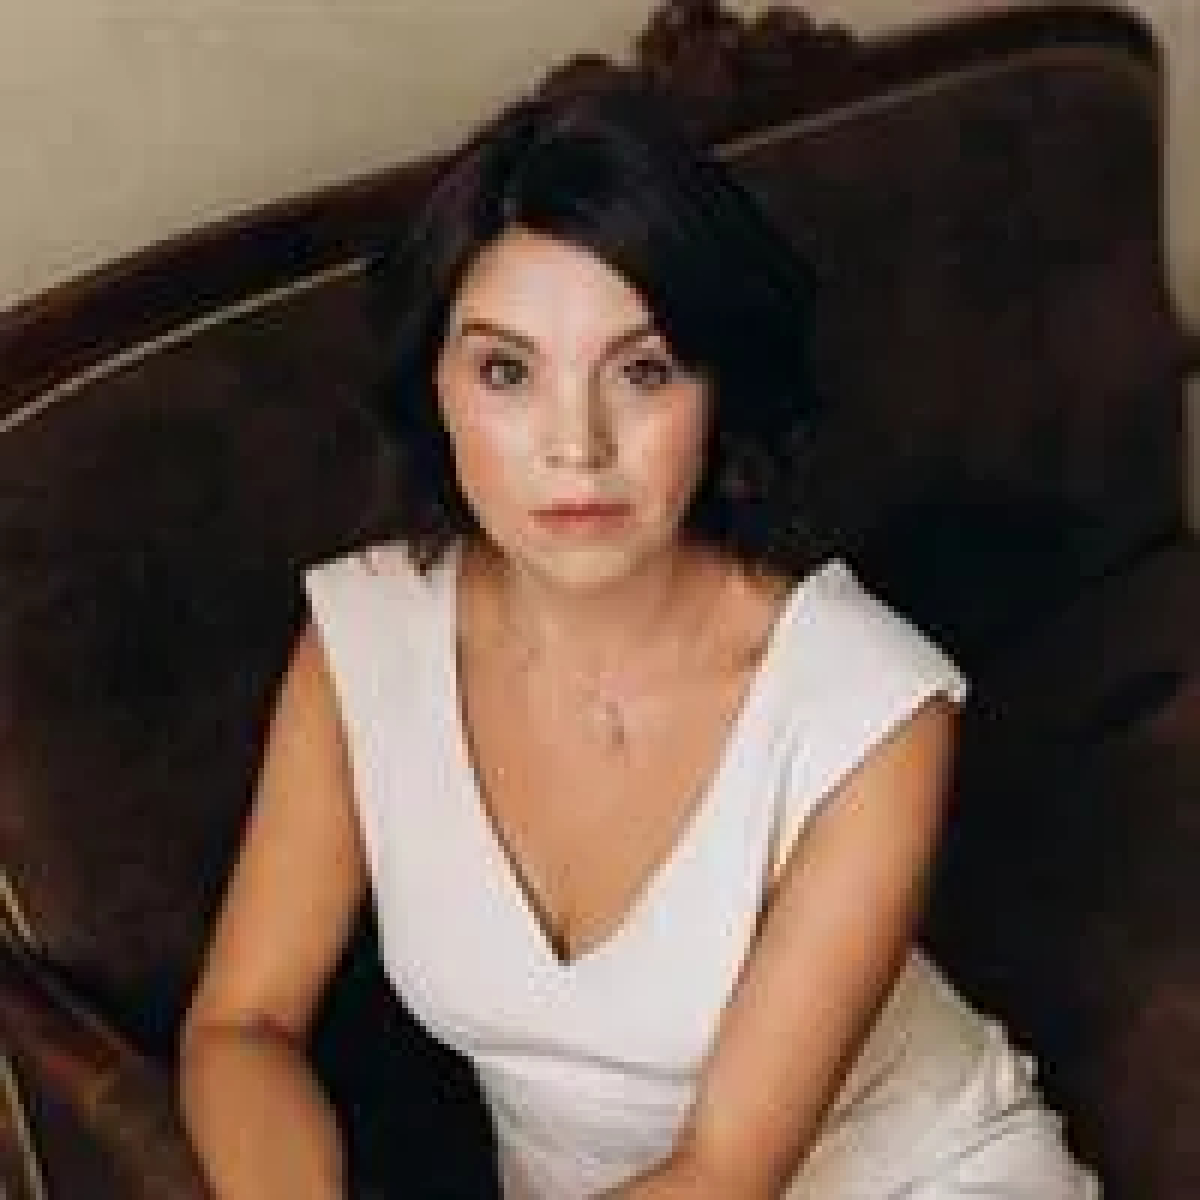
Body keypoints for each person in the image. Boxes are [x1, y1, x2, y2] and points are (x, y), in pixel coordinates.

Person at [176, 83, 1100, 1198]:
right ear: (437, 390)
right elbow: (244, 1024)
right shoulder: (364, 639)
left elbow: (721, 1174)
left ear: (718, 398)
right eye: (507, 371)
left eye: (644, 370)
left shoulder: (868, 705)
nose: (577, 445)